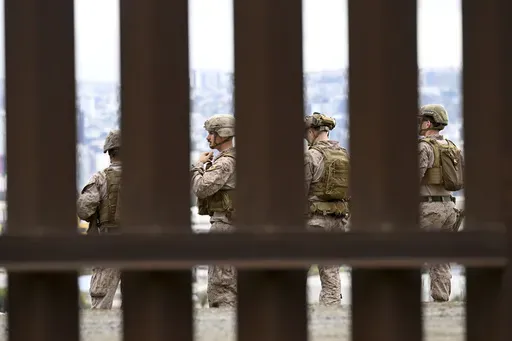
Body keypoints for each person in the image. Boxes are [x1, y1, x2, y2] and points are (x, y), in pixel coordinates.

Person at [418, 104, 464, 302]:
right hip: (449, 208)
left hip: (429, 209)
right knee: (441, 258)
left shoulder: (423, 147)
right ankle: (441, 300)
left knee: (406, 250)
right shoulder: (451, 147)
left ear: (427, 122)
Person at [304, 112, 350, 306]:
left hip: (314, 220)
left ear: (313, 131)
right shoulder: (345, 155)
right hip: (339, 220)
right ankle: (331, 309)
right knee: (331, 269)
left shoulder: (310, 156)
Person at [191, 114, 237, 308]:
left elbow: (201, 188)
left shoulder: (226, 162)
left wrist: (197, 166)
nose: (208, 138)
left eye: (211, 133)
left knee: (221, 284)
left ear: (223, 134)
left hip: (225, 226)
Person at [77, 129, 122, 309]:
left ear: (109, 153)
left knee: (101, 301)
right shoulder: (144, 177)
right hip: (139, 245)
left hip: (108, 244)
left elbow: (83, 210)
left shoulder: (100, 178)